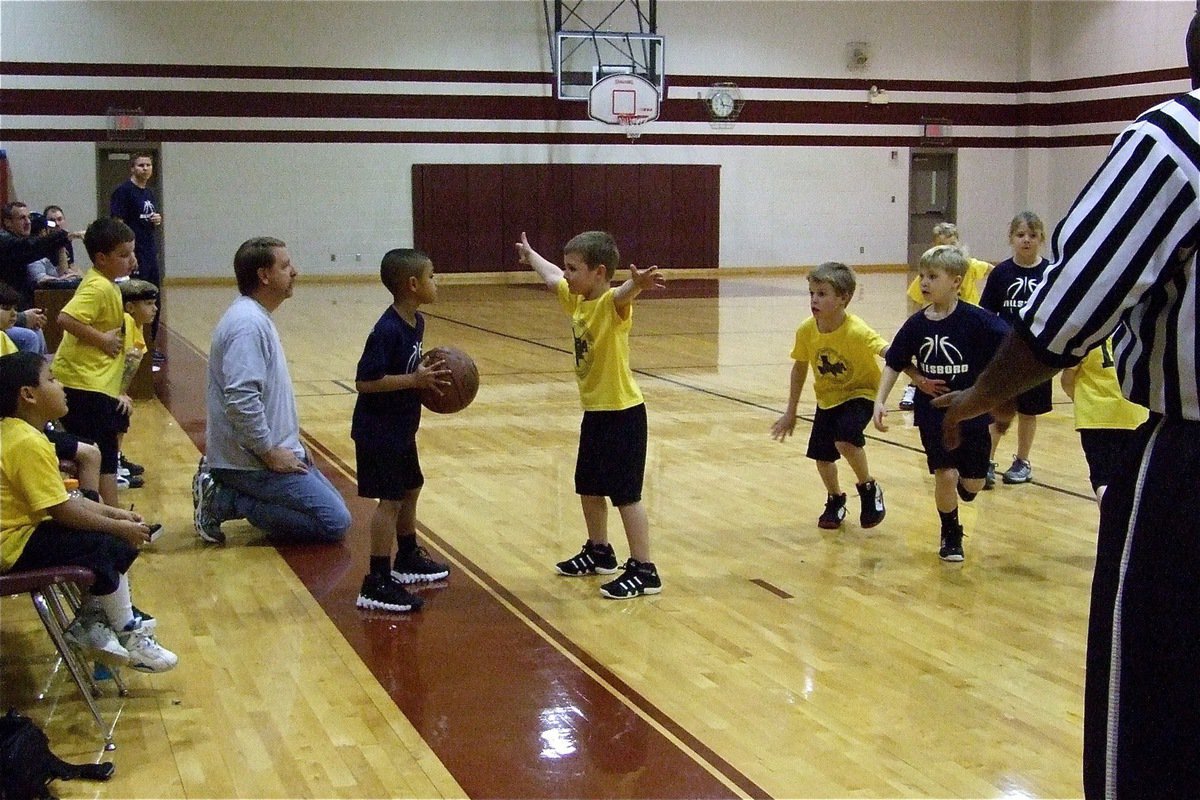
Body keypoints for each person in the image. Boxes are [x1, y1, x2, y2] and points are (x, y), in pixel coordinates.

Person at [940, 15, 1199, 796]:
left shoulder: (1175, 140)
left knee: (1155, 705)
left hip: (1189, 466)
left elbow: (1067, 311)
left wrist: (981, 395)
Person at [0, 351, 176, 672]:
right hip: (11, 547)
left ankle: (95, 619)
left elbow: (69, 501)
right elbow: (64, 511)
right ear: (28, 395)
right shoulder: (27, 443)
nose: (61, 385)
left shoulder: (21, 435)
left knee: (107, 537)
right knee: (106, 543)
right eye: (52, 379)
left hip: (21, 536)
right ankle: (123, 630)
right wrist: (117, 527)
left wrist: (116, 515)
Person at [514, 230, 665, 599]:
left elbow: (622, 293)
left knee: (626, 495)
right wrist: (532, 255)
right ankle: (599, 550)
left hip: (624, 413)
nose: (566, 274)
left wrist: (637, 283)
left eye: (574, 268)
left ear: (599, 272)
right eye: (567, 267)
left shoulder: (610, 305)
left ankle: (645, 569)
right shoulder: (577, 299)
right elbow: (551, 276)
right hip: (596, 413)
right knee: (589, 486)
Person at [193, 237, 351, 546]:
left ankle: (232, 490)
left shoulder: (255, 316)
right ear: (264, 275)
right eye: (286, 265)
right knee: (333, 522)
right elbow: (241, 400)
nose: (295, 272)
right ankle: (224, 499)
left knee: (332, 505)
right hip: (249, 461)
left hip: (264, 454)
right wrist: (269, 452)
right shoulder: (247, 325)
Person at [874, 245, 1008, 561]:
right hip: (932, 412)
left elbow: (1011, 346)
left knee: (972, 485)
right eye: (922, 276)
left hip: (971, 410)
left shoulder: (979, 321)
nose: (924, 282)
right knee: (944, 473)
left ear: (956, 282)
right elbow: (894, 360)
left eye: (933, 276)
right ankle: (950, 533)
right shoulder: (917, 324)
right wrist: (881, 400)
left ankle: (968, 486)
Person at [352, 249, 453, 613]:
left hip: (400, 427)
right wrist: (414, 379)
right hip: (377, 430)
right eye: (432, 276)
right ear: (413, 285)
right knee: (390, 501)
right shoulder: (387, 330)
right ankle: (376, 579)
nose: (436, 282)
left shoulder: (417, 322)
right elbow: (365, 381)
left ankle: (407, 556)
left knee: (411, 487)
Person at [769, 262, 887, 530]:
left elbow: (882, 347)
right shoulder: (806, 330)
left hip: (862, 393)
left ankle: (868, 488)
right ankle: (835, 499)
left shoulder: (856, 329)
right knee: (823, 457)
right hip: (828, 398)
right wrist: (791, 411)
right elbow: (799, 368)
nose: (814, 299)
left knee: (846, 439)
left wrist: (901, 356)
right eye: (811, 293)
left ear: (844, 298)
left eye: (822, 294)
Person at [52, 217, 139, 508]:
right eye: (124, 255)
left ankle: (109, 514)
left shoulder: (108, 284)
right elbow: (65, 318)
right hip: (82, 384)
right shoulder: (98, 287)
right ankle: (104, 516)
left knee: (105, 453)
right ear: (101, 258)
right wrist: (101, 340)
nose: (132, 260)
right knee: (99, 454)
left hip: (96, 384)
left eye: (132, 252)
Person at [1, 281, 104, 502]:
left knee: (92, 450)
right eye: (5, 308)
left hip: (24, 425)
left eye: (13, 309)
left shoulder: (3, 339)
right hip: (14, 430)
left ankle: (97, 511)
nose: (12, 314)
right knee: (89, 454)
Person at [977, 212, 1052, 487]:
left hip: (1037, 355)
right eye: (1020, 235)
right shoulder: (1001, 273)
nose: (1026, 240)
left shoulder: (1049, 273)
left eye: (1032, 235)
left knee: (1028, 411)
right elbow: (987, 312)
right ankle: (987, 460)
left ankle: (1022, 461)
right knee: (997, 408)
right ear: (1011, 239)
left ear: (1041, 239)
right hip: (1006, 353)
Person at [899, 222, 993, 410]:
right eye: (942, 244)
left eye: (952, 243)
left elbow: (995, 272)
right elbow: (915, 300)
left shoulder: (970, 266)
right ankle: (912, 388)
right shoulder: (930, 276)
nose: (948, 248)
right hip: (941, 323)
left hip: (968, 325)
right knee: (928, 361)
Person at [1059, 336, 1148, 505]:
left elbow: (1067, 379)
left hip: (1095, 417)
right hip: (1133, 415)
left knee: (1103, 478)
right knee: (1131, 479)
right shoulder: (1133, 335)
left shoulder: (1088, 336)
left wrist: (1080, 399)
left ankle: (1110, 521)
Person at [109, 152, 163, 353]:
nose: (145, 169)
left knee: (153, 300)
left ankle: (150, 345)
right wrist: (129, 255)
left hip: (150, 254)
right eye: (141, 165)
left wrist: (156, 220)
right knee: (136, 301)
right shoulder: (123, 192)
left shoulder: (149, 193)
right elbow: (118, 225)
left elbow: (145, 219)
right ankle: (132, 343)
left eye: (148, 165)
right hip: (135, 256)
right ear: (132, 168)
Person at [0, 201, 60, 354]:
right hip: (9, 318)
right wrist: (21, 318)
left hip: (15, 312)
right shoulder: (7, 244)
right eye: (21, 218)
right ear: (7, 222)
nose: (28, 222)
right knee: (29, 337)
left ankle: (40, 375)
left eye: (28, 218)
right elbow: (29, 248)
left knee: (36, 330)